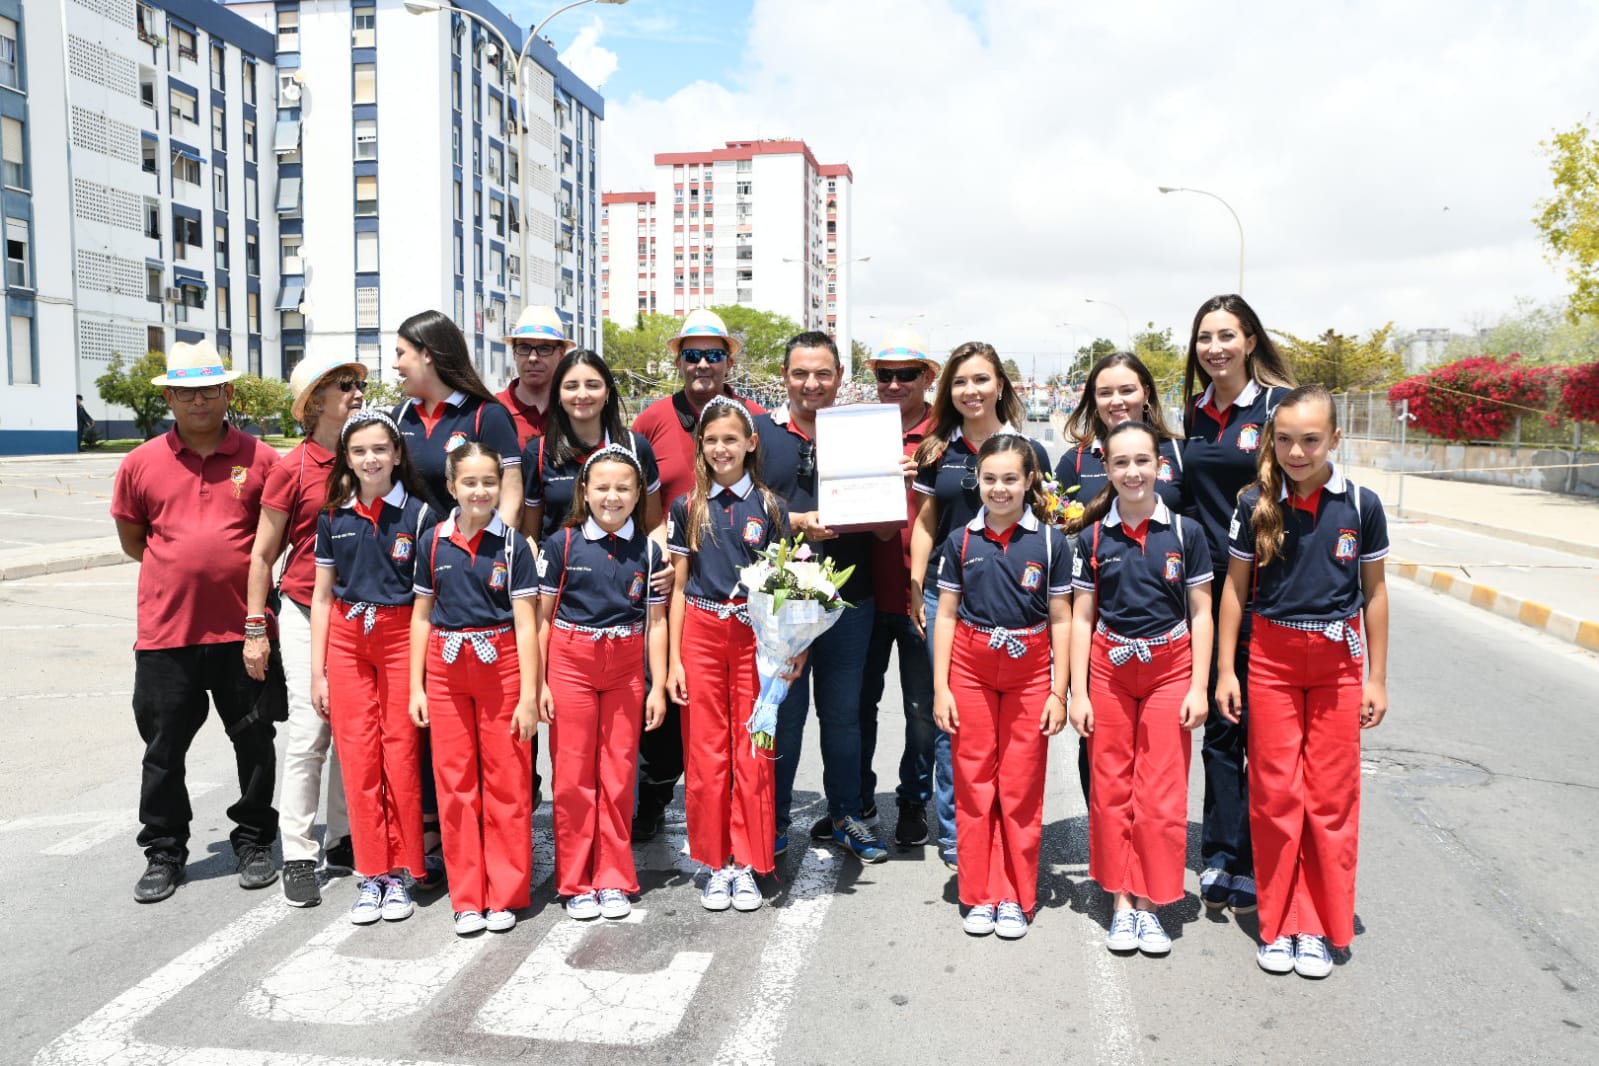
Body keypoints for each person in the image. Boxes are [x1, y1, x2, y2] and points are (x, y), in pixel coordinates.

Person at [1215, 385, 1389, 979]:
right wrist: (1223, 672)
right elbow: (1234, 590)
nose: (1296, 451)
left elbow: (1375, 593)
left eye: (1311, 440)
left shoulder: (1361, 504)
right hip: (1271, 659)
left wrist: (1377, 679)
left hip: (1339, 664)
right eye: (1284, 439)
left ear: (1335, 439)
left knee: (1331, 796)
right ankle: (1280, 921)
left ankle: (1317, 924)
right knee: (1275, 794)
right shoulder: (1253, 504)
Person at [110, 340, 282, 903]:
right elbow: (136, 540)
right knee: (163, 752)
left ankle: (255, 840)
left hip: (243, 631)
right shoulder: (140, 463)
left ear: (228, 392)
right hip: (166, 634)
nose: (199, 399)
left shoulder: (260, 459)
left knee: (254, 741)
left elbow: (272, 540)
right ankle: (164, 852)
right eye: (186, 390)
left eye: (209, 388)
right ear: (170, 397)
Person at [1067, 422, 1213, 957]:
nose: (1132, 472)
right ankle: (1122, 902)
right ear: (1106, 469)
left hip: (1170, 669)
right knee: (1111, 787)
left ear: (1160, 466)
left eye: (1142, 461)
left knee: (1161, 791)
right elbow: (1083, 616)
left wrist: (1200, 684)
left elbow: (1201, 611)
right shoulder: (1092, 536)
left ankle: (1152, 903)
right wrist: (1078, 692)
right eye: (1120, 463)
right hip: (1109, 668)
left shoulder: (1186, 533)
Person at [907, 341, 1051, 870]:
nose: (972, 391)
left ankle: (1004, 830)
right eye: (961, 382)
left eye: (982, 380)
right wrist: (916, 581)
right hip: (946, 598)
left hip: (1015, 607)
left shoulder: (1028, 452)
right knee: (952, 722)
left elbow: (1049, 526)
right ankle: (956, 835)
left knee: (1012, 729)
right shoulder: (935, 449)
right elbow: (925, 522)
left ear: (1000, 386)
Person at [391, 309, 523, 883]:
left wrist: (500, 553)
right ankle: (442, 842)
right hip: (422, 576)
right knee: (437, 732)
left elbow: (509, 492)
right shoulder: (402, 417)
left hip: (485, 579)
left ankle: (501, 852)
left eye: (401, 352)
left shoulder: (486, 414)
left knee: (497, 733)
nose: (395, 364)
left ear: (429, 354)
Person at [1178, 294, 1296, 915]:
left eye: (1226, 335)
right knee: (1222, 732)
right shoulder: (1194, 413)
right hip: (1209, 591)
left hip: (1269, 591)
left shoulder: (1276, 406)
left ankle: (1263, 855)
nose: (1215, 348)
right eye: (1204, 337)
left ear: (1250, 340)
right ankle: (1223, 854)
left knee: (1265, 735)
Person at [630, 310, 764, 842]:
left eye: (714, 354)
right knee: (670, 704)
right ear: (678, 359)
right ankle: (656, 796)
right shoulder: (650, 420)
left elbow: (767, 500)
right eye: (692, 354)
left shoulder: (755, 417)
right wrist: (652, 556)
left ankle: (748, 828)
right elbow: (640, 500)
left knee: (745, 730)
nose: (703, 364)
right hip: (674, 577)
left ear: (730, 360)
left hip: (742, 602)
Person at [931, 436, 1070, 940]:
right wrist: (942, 687)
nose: (1000, 488)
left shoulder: (1051, 543)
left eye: (1011, 478)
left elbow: (1061, 618)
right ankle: (979, 892)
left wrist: (1059, 691)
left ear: (1030, 480)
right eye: (989, 478)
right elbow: (945, 615)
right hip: (969, 669)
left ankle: (1014, 892)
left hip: (1030, 673)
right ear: (977, 481)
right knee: (974, 782)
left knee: (1020, 784)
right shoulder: (961, 541)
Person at [756, 332, 885, 864]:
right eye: (801, 373)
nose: (812, 384)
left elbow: (882, 534)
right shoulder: (759, 436)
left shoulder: (864, 435)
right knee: (782, 716)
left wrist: (885, 492)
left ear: (839, 377)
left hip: (849, 602)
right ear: (784, 376)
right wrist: (796, 523)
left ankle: (846, 814)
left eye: (823, 374)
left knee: (843, 715)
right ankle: (774, 818)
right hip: (783, 604)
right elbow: (744, 513)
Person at [245, 355, 366, 908]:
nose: (358, 391)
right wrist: (255, 626)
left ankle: (343, 837)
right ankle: (297, 850)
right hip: (300, 608)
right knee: (311, 728)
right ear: (315, 400)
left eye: (360, 384)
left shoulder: (368, 454)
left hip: (359, 612)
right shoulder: (290, 468)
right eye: (346, 385)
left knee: (352, 729)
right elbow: (264, 553)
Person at [410, 443, 539, 936]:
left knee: (506, 781)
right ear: (451, 487)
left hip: (501, 665)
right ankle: (467, 896)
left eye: (489, 481)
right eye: (470, 482)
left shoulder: (513, 546)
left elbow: (527, 625)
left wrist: (529, 694)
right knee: (455, 783)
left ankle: (503, 891)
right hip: (445, 669)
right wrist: (417, 687)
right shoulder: (433, 541)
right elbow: (421, 616)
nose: (480, 491)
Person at [311, 409, 433, 925]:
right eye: (358, 451)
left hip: (401, 636)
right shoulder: (333, 515)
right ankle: (372, 872)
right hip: (347, 638)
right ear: (346, 458)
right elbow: (320, 597)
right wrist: (318, 671)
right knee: (358, 757)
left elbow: (429, 600)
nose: (370, 459)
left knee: (399, 753)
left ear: (397, 454)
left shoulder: (421, 516)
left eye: (379, 449)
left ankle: (402, 869)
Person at [665, 397, 788, 913]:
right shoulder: (687, 508)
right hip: (701, 632)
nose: (721, 448)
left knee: (752, 751)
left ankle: (747, 861)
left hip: (756, 639)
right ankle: (716, 862)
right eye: (712, 439)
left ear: (750, 443)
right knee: (707, 752)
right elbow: (676, 588)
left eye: (731, 439)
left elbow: (787, 587)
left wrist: (788, 650)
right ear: (701, 445)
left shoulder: (772, 507)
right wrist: (673, 660)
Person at [538, 446, 669, 921]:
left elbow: (656, 623)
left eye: (623, 488)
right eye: (602, 487)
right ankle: (575, 880)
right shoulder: (563, 544)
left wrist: (655, 687)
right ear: (585, 492)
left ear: (638, 495)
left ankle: (613, 875)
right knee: (573, 777)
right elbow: (542, 621)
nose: (612, 497)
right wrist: (540, 684)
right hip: (571, 663)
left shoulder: (650, 551)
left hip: (626, 669)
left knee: (617, 775)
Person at [1057, 352, 1186, 803]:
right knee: (1098, 743)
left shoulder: (1176, 453)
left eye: (1127, 389)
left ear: (1146, 392)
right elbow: (1058, 534)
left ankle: (1149, 839)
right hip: (1096, 625)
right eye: (1105, 392)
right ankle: (1108, 838)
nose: (1117, 400)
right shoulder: (1074, 462)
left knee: (1158, 748)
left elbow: (1192, 530)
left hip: (1165, 632)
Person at [860, 328, 940, 849]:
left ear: (927, 377)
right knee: (855, 706)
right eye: (884, 375)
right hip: (863, 589)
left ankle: (913, 799)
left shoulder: (942, 434)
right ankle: (858, 798)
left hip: (922, 592)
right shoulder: (858, 429)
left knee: (920, 710)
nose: (893, 384)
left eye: (905, 374)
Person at [521, 348, 663, 543]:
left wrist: (660, 559)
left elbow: (654, 523)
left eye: (592, 385)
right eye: (571, 386)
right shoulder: (537, 453)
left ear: (607, 392)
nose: (582, 394)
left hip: (625, 570)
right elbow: (529, 531)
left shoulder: (635, 447)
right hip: (558, 570)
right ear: (558, 395)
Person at [496, 306, 573, 449]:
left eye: (544, 349)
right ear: (514, 353)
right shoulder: (492, 410)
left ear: (561, 354)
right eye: (524, 348)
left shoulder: (575, 408)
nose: (533, 358)